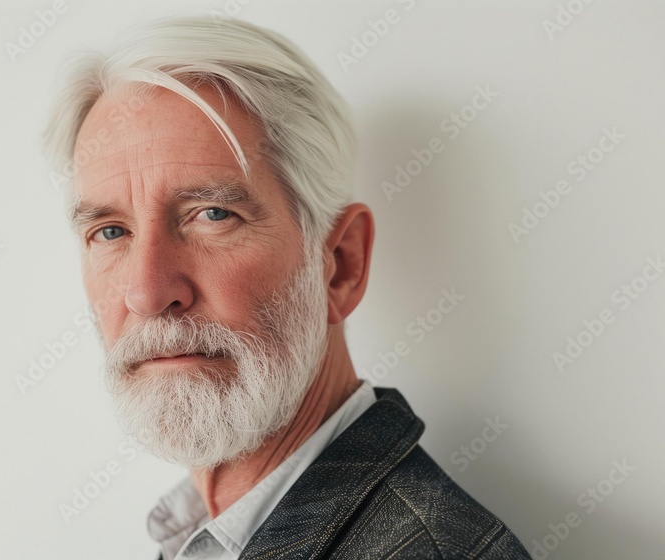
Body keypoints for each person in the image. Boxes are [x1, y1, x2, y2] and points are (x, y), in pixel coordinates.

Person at [42, 15, 531, 559]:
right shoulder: (204, 536)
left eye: (213, 214)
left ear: (340, 264)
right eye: (110, 231)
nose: (148, 293)